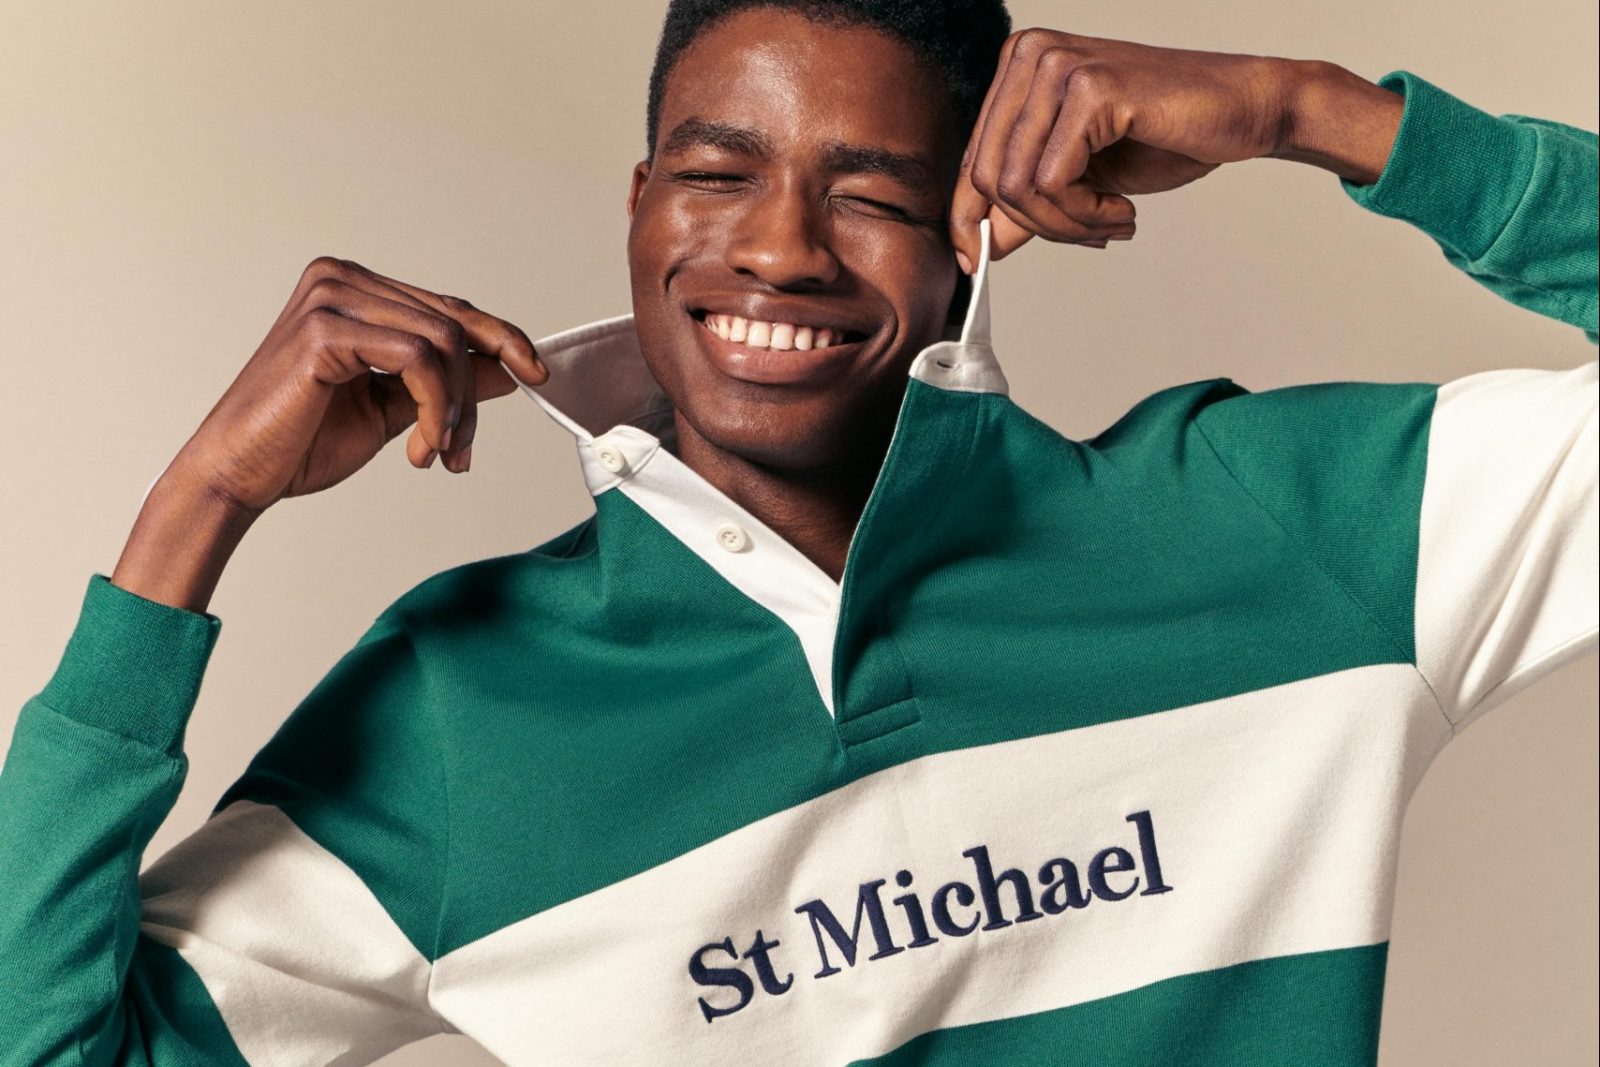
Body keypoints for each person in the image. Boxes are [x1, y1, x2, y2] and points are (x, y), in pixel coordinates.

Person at [2, 0, 1594, 1063]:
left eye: (872, 194)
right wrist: (194, 514)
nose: (776, 248)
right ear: (636, 204)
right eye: (715, 172)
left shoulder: (1285, 531)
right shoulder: (463, 713)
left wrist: (1316, 113)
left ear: (982, 226)